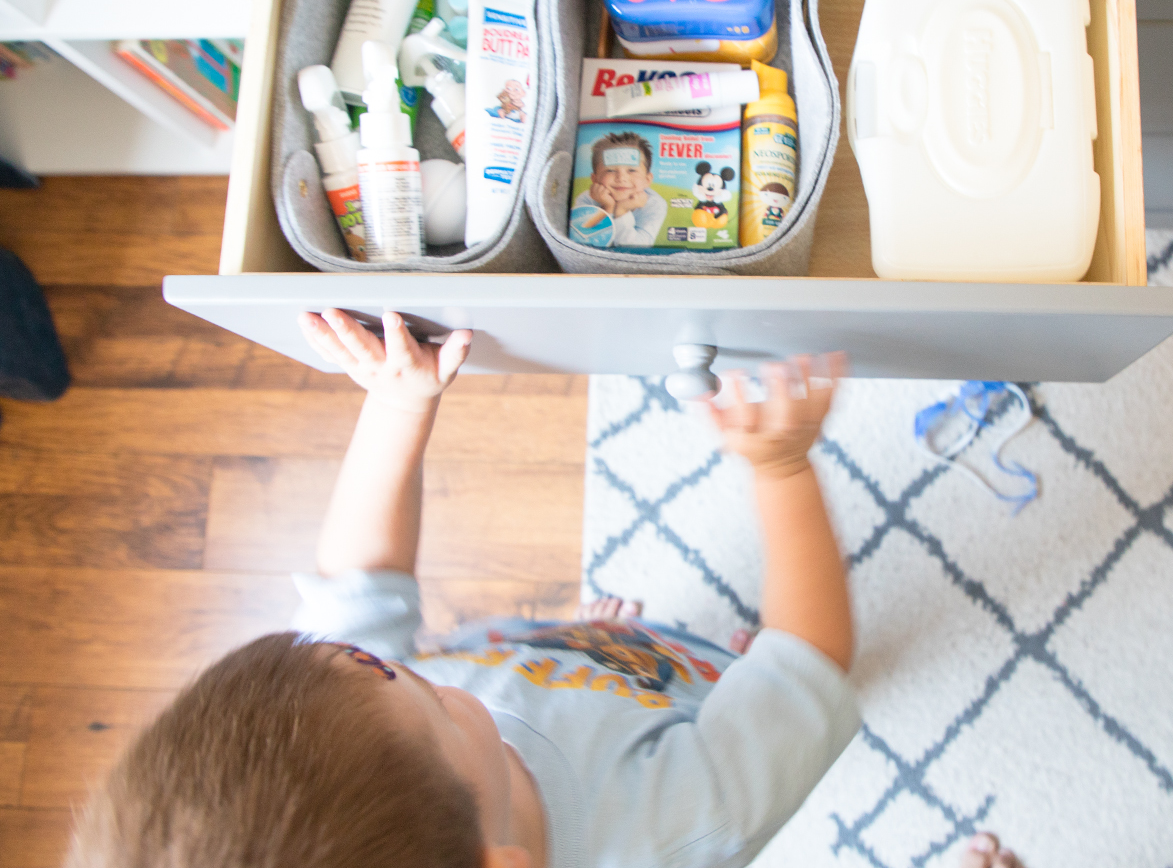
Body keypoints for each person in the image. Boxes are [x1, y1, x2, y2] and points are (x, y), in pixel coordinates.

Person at [63, 309, 862, 868]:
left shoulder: (366, 729)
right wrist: (781, 466)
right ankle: (688, 667)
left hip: (568, 663)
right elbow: (811, 655)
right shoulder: (676, 829)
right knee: (776, 694)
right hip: (693, 696)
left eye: (360, 659)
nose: (392, 660)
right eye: (431, 695)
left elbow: (359, 585)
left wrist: (398, 404)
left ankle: (599, 642)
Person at [575, 131, 667, 246]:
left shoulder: (654, 204)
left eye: (632, 170)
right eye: (611, 170)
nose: (621, 178)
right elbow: (583, 241)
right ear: (595, 178)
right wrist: (607, 208)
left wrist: (622, 211)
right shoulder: (587, 199)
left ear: (647, 180)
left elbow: (638, 247)